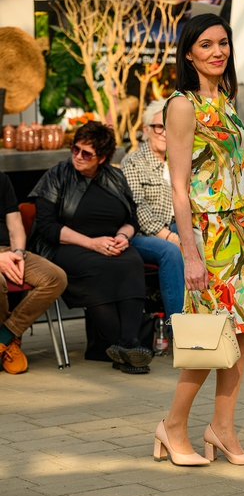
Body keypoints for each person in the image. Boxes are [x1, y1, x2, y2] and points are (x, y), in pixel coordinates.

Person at [154, 13, 244, 467]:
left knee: (241, 333)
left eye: (223, 43)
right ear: (188, 53)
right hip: (208, 233)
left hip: (241, 230)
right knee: (209, 335)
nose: (218, 52)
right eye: (206, 45)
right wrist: (190, 252)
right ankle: (173, 426)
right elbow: (179, 187)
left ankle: (222, 428)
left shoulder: (227, 100)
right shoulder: (183, 105)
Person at [28, 121, 153, 375]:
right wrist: (91, 243)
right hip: (65, 246)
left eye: (87, 153)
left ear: (102, 158)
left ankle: (127, 345)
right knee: (96, 268)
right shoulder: (57, 175)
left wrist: (123, 236)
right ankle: (127, 347)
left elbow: (132, 219)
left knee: (132, 261)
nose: (78, 156)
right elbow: (47, 226)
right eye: (75, 149)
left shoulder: (115, 177)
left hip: (110, 244)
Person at [121, 99, 185, 321]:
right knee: (171, 251)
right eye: (159, 127)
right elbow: (138, 209)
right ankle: (179, 327)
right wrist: (170, 236)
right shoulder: (133, 162)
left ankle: (214, 322)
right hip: (142, 234)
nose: (165, 133)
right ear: (146, 130)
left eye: (170, 127)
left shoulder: (181, 159)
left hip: (179, 226)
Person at [0, 171, 67, 374]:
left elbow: (15, 225)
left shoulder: (2, 179)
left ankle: (5, 336)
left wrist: (18, 253)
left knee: (55, 277)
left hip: (8, 250)